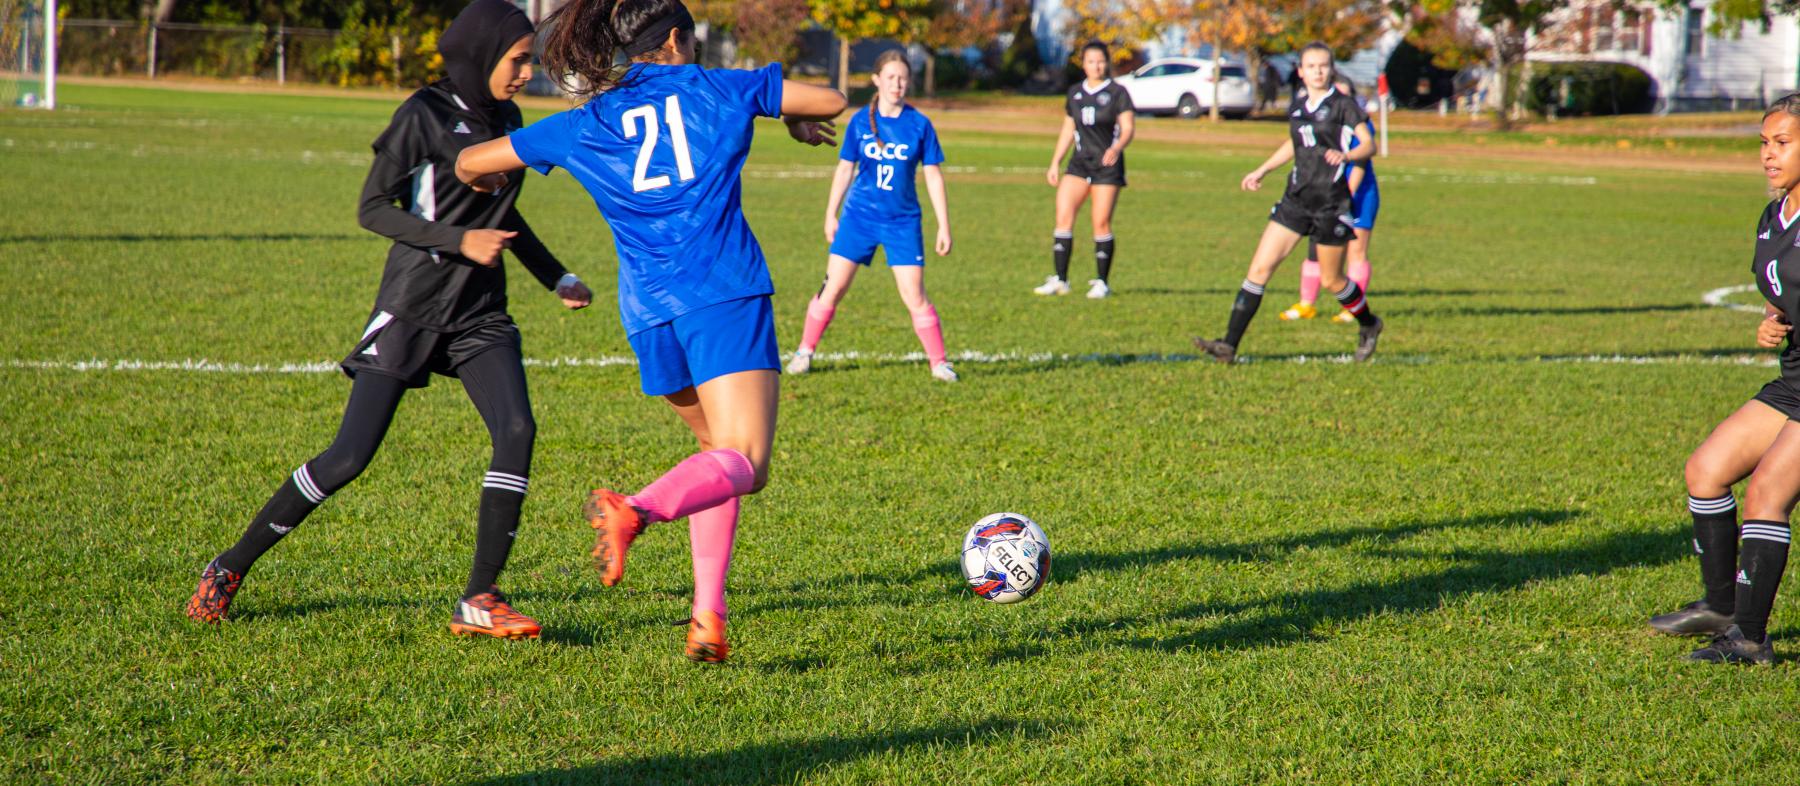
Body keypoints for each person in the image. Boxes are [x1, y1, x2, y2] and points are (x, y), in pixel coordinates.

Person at [185, 0, 594, 640]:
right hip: (414, 307)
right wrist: (459, 242)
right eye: (517, 61)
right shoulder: (423, 114)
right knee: (351, 455)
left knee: (517, 429)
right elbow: (373, 209)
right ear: (483, 54)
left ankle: (480, 598)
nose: (524, 74)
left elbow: (507, 217)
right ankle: (230, 566)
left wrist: (556, 275)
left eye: (528, 62)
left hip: (480, 314)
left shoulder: (508, 119)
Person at [454, 0, 847, 663]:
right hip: (722, 294)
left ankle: (707, 619)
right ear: (674, 40)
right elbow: (831, 97)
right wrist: (794, 119)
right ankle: (635, 509)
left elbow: (470, 163)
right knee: (745, 462)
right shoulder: (718, 87)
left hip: (649, 315)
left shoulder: (587, 119)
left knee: (714, 458)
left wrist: (487, 174)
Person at [1647, 94, 1800, 665]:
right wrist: (1772, 319)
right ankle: (1720, 607)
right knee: (1706, 470)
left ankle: (1751, 639)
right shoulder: (1775, 217)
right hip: (1793, 380)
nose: (1768, 155)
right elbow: (1784, 293)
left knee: (1766, 494)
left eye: (1781, 143)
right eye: (1764, 143)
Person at [1192, 42, 1383, 364]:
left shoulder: (1343, 105)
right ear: (1301, 71)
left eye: (1323, 66)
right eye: (1311, 66)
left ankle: (1369, 323)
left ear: (1331, 69)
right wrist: (1263, 169)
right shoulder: (1297, 107)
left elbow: (1369, 145)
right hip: (1296, 200)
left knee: (1332, 280)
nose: (1317, 71)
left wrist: (1347, 155)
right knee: (1258, 269)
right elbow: (1295, 143)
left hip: (1331, 204)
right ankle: (1228, 345)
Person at [786, 49, 956, 382]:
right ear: (877, 80)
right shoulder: (860, 121)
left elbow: (934, 175)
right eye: (891, 77)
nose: (898, 84)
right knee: (833, 287)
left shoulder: (920, 124)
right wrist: (830, 213)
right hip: (859, 219)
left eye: (903, 78)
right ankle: (805, 351)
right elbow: (845, 168)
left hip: (902, 222)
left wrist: (944, 226)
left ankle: (939, 363)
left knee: (914, 296)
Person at [1034, 40, 1135, 300]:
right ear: (1084, 64)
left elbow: (1128, 128)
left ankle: (1101, 282)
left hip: (1106, 168)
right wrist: (1055, 161)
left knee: (1100, 222)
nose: (1096, 66)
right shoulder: (1075, 93)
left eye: (1100, 61)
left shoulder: (1117, 93)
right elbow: (1069, 129)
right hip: (1078, 164)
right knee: (1063, 216)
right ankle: (1060, 280)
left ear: (1106, 63)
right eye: (1091, 61)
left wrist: (1116, 147)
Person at [1279, 77, 1380, 324]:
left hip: (1356, 193)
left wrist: (1346, 197)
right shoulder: (1319, 121)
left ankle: (1353, 308)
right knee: (1315, 247)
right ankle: (1306, 304)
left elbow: (1359, 163)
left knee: (1356, 250)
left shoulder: (1358, 125)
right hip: (1324, 193)